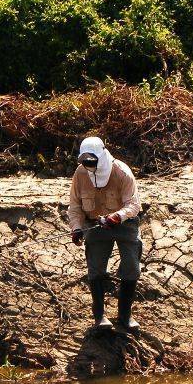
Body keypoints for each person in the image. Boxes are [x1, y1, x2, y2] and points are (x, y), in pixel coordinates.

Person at [67, 136, 143, 330]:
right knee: (96, 269)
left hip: (125, 224)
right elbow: (75, 205)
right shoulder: (80, 174)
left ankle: (125, 316)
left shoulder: (121, 172)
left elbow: (134, 205)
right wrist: (76, 228)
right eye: (84, 161)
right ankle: (99, 317)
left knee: (131, 267)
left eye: (91, 160)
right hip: (95, 225)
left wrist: (117, 217)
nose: (88, 165)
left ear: (101, 155)